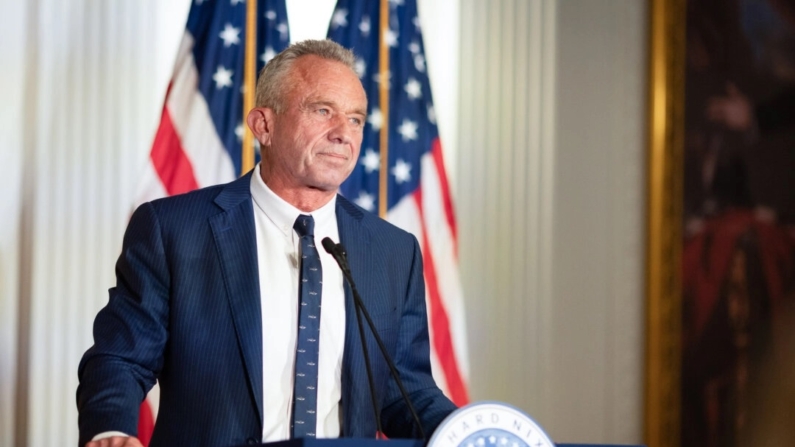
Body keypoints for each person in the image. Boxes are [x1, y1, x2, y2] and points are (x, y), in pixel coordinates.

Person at [77, 39, 457, 447]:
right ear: (264, 125)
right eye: (323, 111)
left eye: (356, 119)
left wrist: (474, 431)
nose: (343, 134)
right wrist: (111, 432)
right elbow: (121, 357)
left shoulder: (392, 251)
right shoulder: (174, 229)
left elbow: (406, 393)